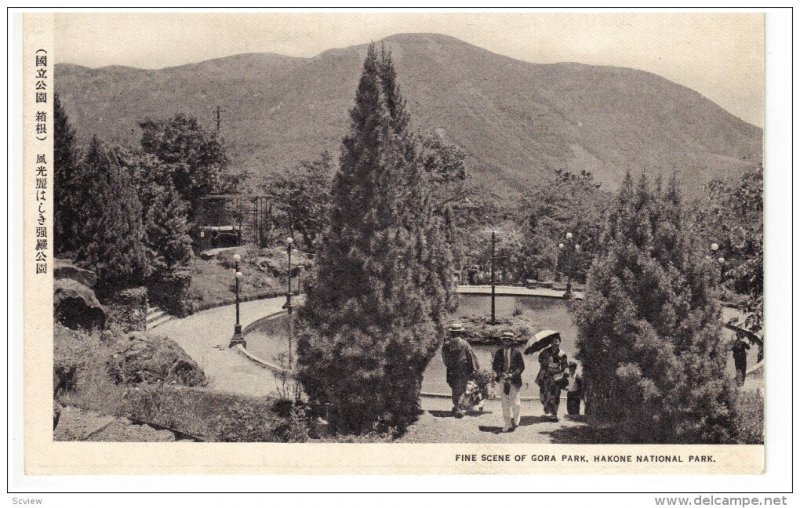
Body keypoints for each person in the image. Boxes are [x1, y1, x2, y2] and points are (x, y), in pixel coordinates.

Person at [442, 322, 479, 417]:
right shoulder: (464, 343)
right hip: (463, 369)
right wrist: (475, 368)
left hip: (451, 370)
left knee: (454, 388)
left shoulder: (446, 344)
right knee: (462, 388)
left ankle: (456, 406)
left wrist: (449, 366)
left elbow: (444, 358)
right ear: (460, 332)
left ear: (451, 333)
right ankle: (459, 409)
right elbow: (471, 356)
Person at [492, 330, 525, 432]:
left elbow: (521, 367)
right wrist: (501, 373)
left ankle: (515, 420)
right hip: (502, 380)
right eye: (505, 340)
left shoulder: (517, 353)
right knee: (504, 403)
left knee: (515, 403)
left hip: (514, 380)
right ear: (502, 341)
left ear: (512, 341)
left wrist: (512, 374)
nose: (506, 342)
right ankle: (507, 423)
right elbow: (495, 366)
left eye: (509, 340)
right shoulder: (499, 352)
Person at [536, 336, 568, 421]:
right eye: (553, 343)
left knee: (556, 395)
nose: (555, 345)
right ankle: (547, 411)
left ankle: (554, 414)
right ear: (551, 343)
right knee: (543, 395)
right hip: (546, 376)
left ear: (559, 343)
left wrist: (560, 369)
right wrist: (545, 362)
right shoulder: (545, 352)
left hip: (556, 376)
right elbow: (540, 359)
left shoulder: (562, 354)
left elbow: (565, 366)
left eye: (557, 343)